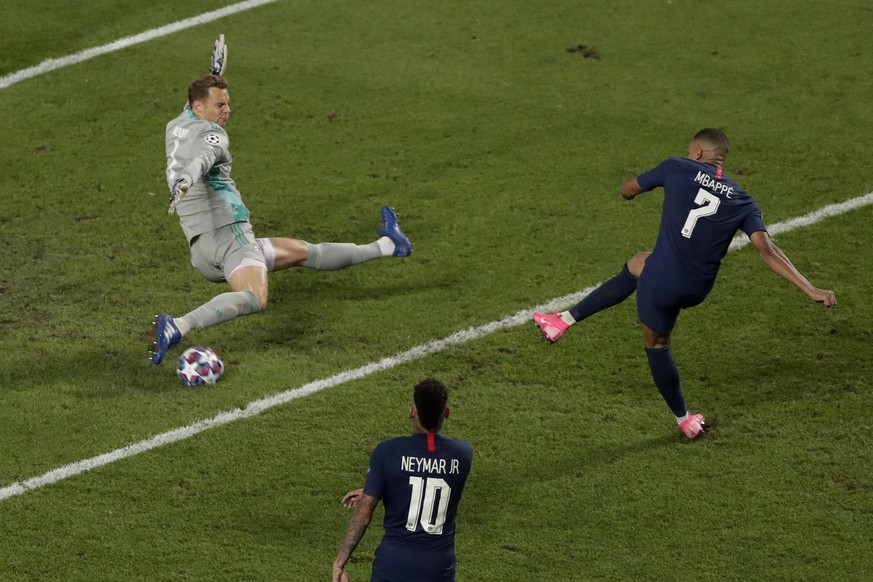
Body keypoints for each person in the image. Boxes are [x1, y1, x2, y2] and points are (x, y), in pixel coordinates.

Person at [533, 128, 836, 439]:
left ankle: (685, 420)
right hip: (697, 288)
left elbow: (628, 190)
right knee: (640, 262)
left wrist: (636, 188)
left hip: (664, 282)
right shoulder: (743, 200)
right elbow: (767, 250)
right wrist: (808, 288)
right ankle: (563, 320)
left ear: (698, 153)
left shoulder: (677, 167)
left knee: (657, 344)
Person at [151, 36, 412, 365]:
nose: (228, 111)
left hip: (203, 249)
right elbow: (205, 155)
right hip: (229, 235)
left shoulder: (177, 125)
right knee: (255, 297)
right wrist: (188, 178)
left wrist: (213, 73)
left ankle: (390, 245)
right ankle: (178, 325)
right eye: (221, 105)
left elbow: (195, 124)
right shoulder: (213, 134)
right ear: (201, 107)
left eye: (228, 103)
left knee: (304, 252)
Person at [332, 378, 474, 582]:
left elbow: (363, 516)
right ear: (447, 413)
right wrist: (378, 487)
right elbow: (431, 478)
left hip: (394, 565)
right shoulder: (463, 454)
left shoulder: (387, 452)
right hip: (437, 568)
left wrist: (340, 563)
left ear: (411, 412)